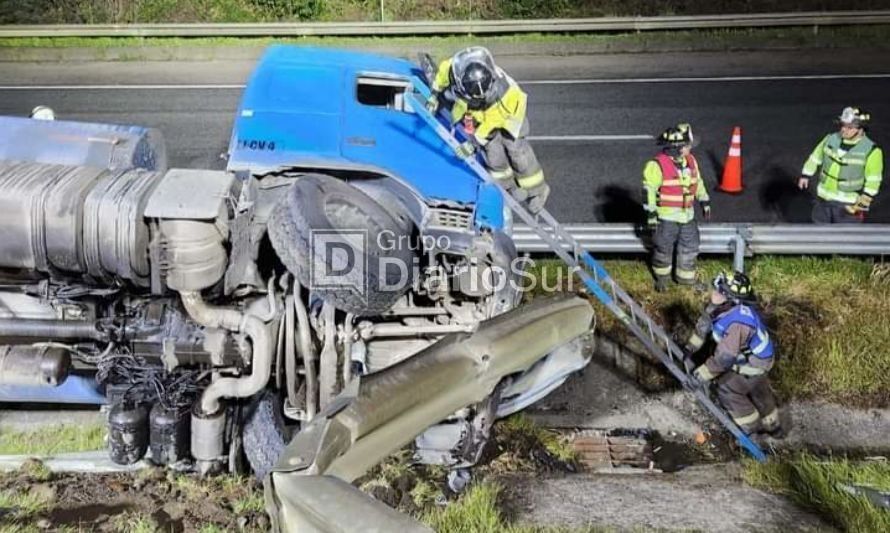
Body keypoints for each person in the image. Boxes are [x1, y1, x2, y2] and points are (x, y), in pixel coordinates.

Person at [426, 47, 550, 214]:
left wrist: (473, 143)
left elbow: (491, 125)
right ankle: (509, 188)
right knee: (493, 155)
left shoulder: (504, 93)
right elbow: (441, 75)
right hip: (483, 114)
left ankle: (537, 191)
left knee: (516, 151)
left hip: (508, 114)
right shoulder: (454, 69)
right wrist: (434, 94)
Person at [683, 271, 784, 438]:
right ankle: (774, 427)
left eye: (720, 292)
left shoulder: (738, 324)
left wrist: (700, 376)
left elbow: (724, 359)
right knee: (759, 390)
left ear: (731, 299)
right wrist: (689, 348)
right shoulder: (721, 307)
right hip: (754, 357)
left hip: (755, 364)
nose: (714, 293)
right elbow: (703, 327)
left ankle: (752, 430)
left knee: (727, 389)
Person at [642, 123, 711, 292]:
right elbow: (648, 191)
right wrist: (651, 213)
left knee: (690, 247)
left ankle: (685, 279)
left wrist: (704, 200)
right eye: (687, 145)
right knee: (663, 248)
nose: (689, 148)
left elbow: (697, 182)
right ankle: (662, 278)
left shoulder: (691, 161)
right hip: (666, 218)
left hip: (687, 216)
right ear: (678, 148)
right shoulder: (657, 165)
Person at [798, 106, 883, 223]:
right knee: (819, 235)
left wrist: (863, 202)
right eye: (843, 125)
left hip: (848, 206)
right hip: (823, 201)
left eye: (849, 127)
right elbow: (815, 157)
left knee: (847, 237)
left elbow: (873, 180)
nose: (844, 130)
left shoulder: (871, 151)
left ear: (861, 129)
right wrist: (806, 175)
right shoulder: (830, 139)